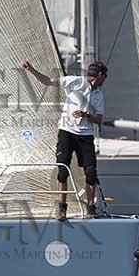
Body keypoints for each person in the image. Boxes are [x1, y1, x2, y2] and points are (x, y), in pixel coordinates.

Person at [20, 58, 107, 218]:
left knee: (90, 171)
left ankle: (91, 208)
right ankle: (62, 207)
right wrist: (30, 69)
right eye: (105, 77)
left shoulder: (99, 94)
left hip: (85, 135)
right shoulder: (76, 82)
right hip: (67, 131)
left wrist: (86, 115)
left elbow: (99, 119)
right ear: (101, 75)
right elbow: (48, 81)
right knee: (63, 169)